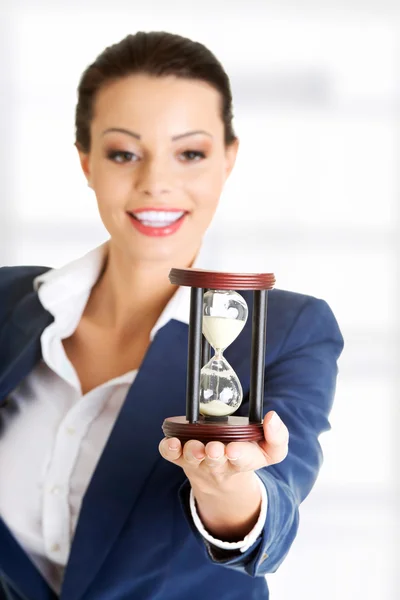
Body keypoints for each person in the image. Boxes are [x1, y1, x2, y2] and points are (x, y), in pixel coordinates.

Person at [0, 31, 344, 600]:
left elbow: (272, 515)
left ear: (228, 159)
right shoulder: (10, 300)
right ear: (86, 161)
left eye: (190, 153)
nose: (156, 182)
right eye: (123, 153)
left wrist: (227, 488)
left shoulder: (288, 330)